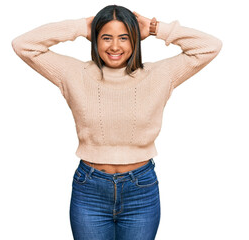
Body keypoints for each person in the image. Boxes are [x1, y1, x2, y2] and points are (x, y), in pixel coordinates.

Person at [11, 4, 222, 240]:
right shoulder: (73, 73)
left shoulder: (161, 75)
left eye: (124, 37)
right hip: (90, 189)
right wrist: (81, 26)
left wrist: (155, 28)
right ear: (95, 40)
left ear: (135, 39)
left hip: (140, 189)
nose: (114, 46)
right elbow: (23, 45)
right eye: (106, 37)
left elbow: (210, 46)